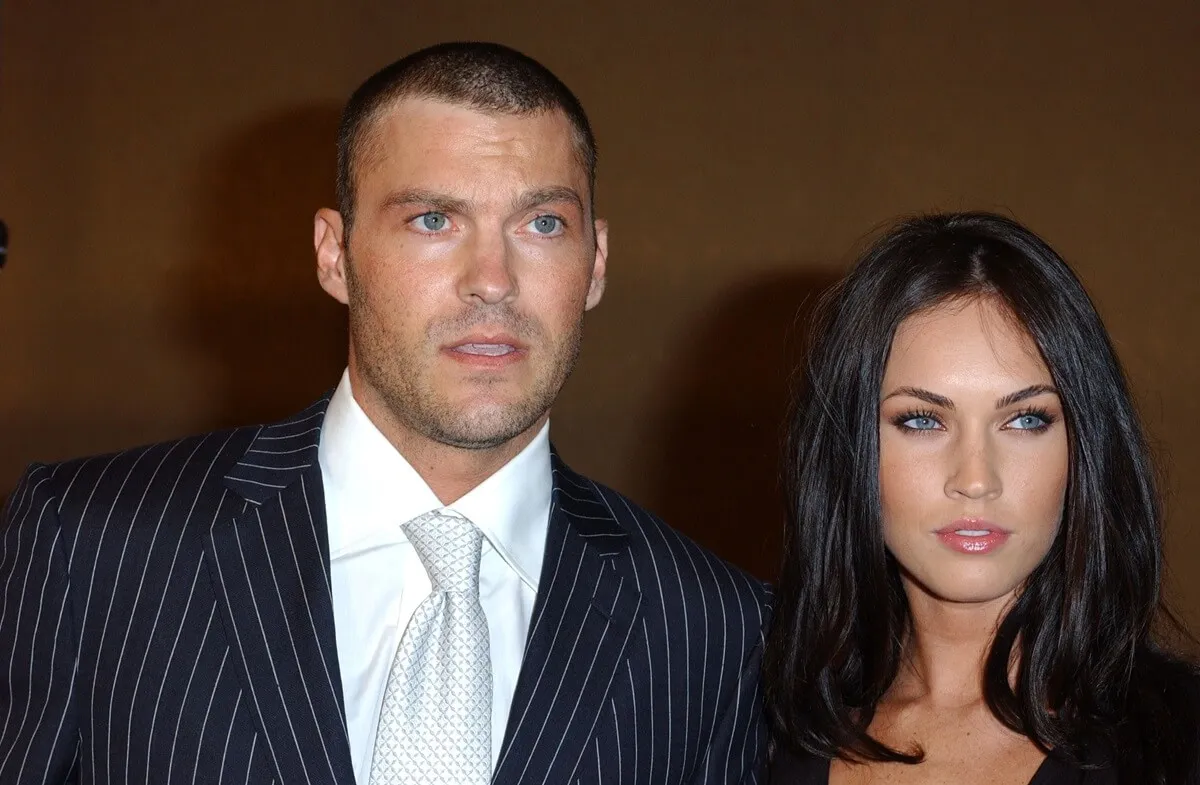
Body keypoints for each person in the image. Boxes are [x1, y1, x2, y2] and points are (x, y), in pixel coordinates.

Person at [0, 42, 770, 785]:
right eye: (433, 219)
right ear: (334, 254)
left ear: (595, 263)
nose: (493, 280)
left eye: (542, 223)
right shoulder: (92, 543)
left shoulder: (714, 626)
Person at [763, 212, 1200, 785]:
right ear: (850, 449)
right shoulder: (761, 731)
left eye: (1025, 420)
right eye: (922, 420)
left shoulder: (1180, 745)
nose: (975, 480)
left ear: (1085, 449)